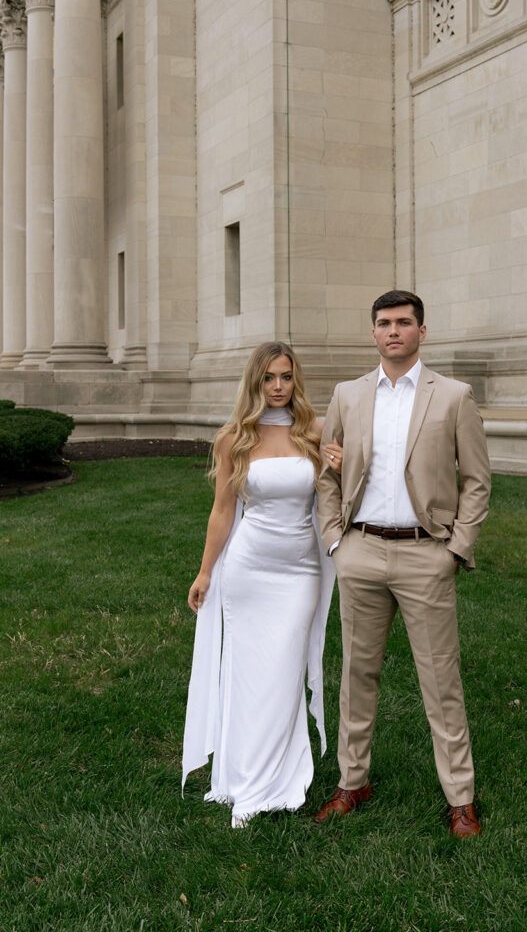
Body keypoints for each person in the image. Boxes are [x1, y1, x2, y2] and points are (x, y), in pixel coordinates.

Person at [315, 290, 491, 837]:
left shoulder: (454, 396)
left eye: (404, 322)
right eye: (384, 323)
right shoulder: (347, 394)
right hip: (361, 551)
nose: (394, 331)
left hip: (426, 554)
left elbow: (477, 481)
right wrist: (335, 544)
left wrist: (456, 550)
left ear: (421, 331)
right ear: (372, 332)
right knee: (356, 675)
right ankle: (352, 781)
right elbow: (328, 473)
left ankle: (459, 797)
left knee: (441, 681)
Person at [182, 341, 343, 828]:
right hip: (249, 569)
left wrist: (342, 462)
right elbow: (223, 510)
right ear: (255, 382)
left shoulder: (315, 431)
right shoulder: (234, 438)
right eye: (269, 378)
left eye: (286, 377)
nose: (277, 387)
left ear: (296, 380)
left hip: (300, 572)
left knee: (285, 670)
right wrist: (206, 571)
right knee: (248, 674)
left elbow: (344, 493)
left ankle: (271, 777)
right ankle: (246, 777)